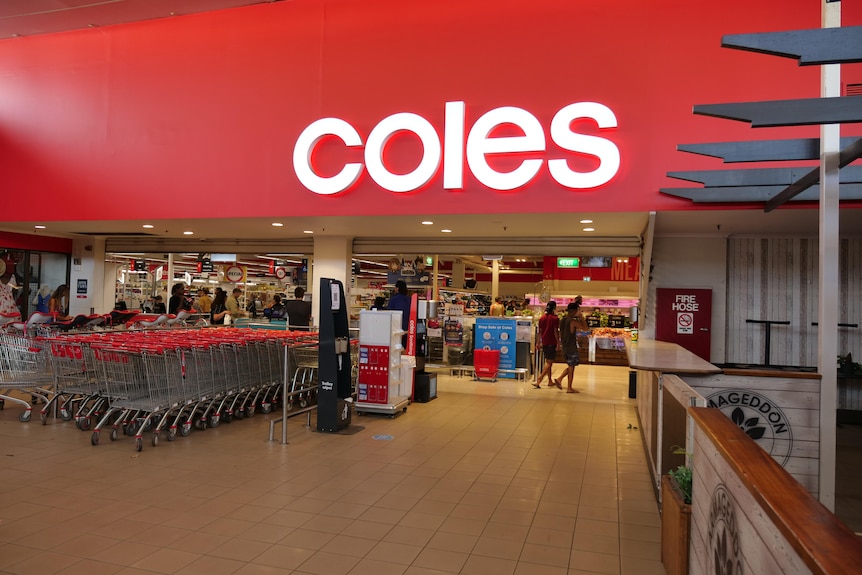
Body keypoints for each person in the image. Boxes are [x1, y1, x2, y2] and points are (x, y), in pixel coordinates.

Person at [553, 298, 587, 393]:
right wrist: (581, 317)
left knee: (570, 365)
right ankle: (569, 388)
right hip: (571, 347)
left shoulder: (563, 320)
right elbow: (585, 328)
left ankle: (559, 379)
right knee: (572, 367)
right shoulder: (573, 321)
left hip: (565, 346)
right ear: (575, 311)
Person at [533, 300, 560, 389]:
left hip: (544, 342)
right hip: (552, 342)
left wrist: (538, 342)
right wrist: (558, 343)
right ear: (554, 308)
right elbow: (556, 331)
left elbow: (539, 332)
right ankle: (539, 380)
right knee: (549, 362)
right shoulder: (555, 319)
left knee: (548, 362)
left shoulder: (542, 318)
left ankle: (549, 381)